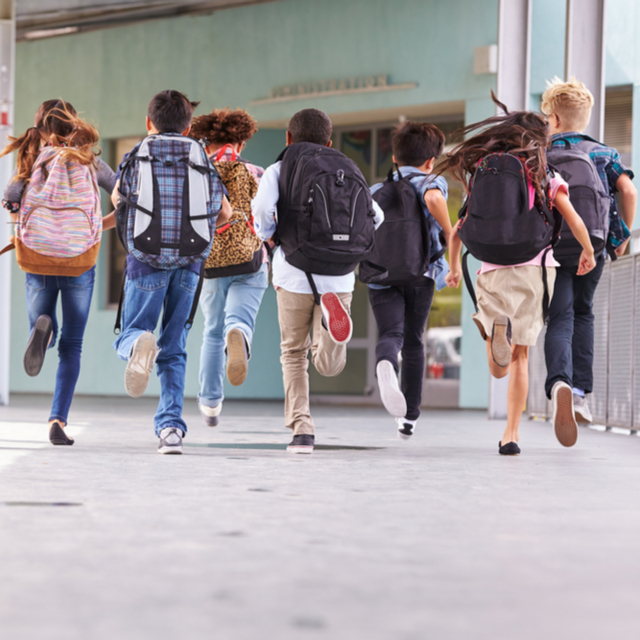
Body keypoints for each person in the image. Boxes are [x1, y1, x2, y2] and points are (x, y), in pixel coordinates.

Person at [444, 94, 596, 455]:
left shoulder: (485, 169)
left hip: (491, 269)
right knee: (521, 357)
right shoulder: (545, 173)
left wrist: (452, 268)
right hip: (534, 268)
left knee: (498, 366)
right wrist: (587, 251)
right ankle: (512, 434)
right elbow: (573, 219)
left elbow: (456, 231)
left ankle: (499, 331)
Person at [252, 108, 384, 454]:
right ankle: (331, 332)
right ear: (329, 140)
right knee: (328, 365)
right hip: (339, 278)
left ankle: (302, 429)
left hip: (293, 272)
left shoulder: (279, 169)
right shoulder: (346, 167)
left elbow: (263, 209)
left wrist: (268, 235)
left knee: (293, 354)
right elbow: (377, 216)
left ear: (288, 139)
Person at [111, 90, 230, 455]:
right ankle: (170, 431)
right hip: (191, 263)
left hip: (145, 259)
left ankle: (137, 345)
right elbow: (223, 212)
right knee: (174, 346)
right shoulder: (201, 156)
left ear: (149, 123)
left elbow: (118, 199)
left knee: (130, 332)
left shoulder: (138, 153)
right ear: (189, 125)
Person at [1, 99, 116, 446]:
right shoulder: (88, 160)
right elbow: (125, 195)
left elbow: (11, 201)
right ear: (74, 127)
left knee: (44, 322)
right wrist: (99, 226)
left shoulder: (29, 162)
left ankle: (43, 328)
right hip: (80, 258)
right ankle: (58, 420)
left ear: (40, 131)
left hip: (38, 256)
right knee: (73, 345)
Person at [541, 77, 637, 439]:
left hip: (552, 247)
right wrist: (623, 234)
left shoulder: (542, 154)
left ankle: (560, 383)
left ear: (554, 119)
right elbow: (629, 190)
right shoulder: (604, 153)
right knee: (584, 313)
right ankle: (580, 395)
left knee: (559, 317)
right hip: (593, 247)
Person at [365, 122, 452, 440]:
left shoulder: (375, 190)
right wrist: (450, 230)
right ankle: (409, 418)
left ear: (394, 157)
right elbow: (432, 200)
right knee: (415, 341)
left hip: (382, 273)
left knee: (392, 334)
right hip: (420, 273)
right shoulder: (433, 181)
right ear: (431, 160)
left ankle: (386, 362)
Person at [189, 108, 269, 427]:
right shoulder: (255, 172)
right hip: (250, 261)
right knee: (238, 320)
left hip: (210, 264)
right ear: (242, 142)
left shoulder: (198, 172)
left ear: (206, 141)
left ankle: (210, 403)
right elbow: (267, 220)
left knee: (211, 332)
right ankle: (239, 333)